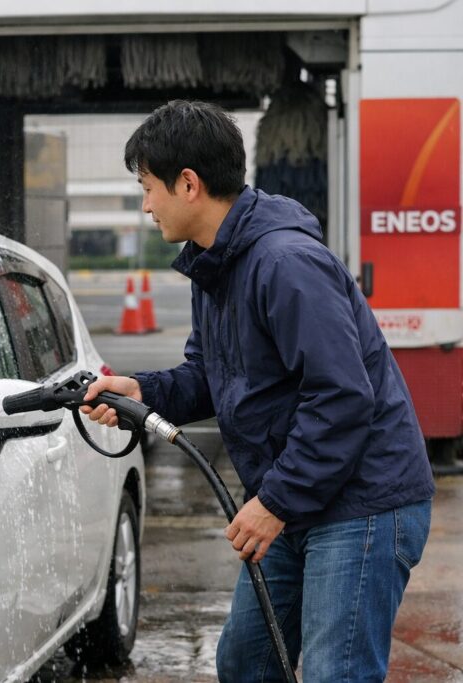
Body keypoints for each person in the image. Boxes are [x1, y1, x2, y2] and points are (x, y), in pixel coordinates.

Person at [80, 100, 435, 682]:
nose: (145, 205)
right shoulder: (214, 265)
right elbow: (213, 375)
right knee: (247, 662)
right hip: (299, 493)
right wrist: (143, 392)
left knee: (336, 673)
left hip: (362, 501)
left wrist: (274, 503)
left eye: (147, 188)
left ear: (188, 184)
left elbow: (343, 398)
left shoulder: (285, 263)